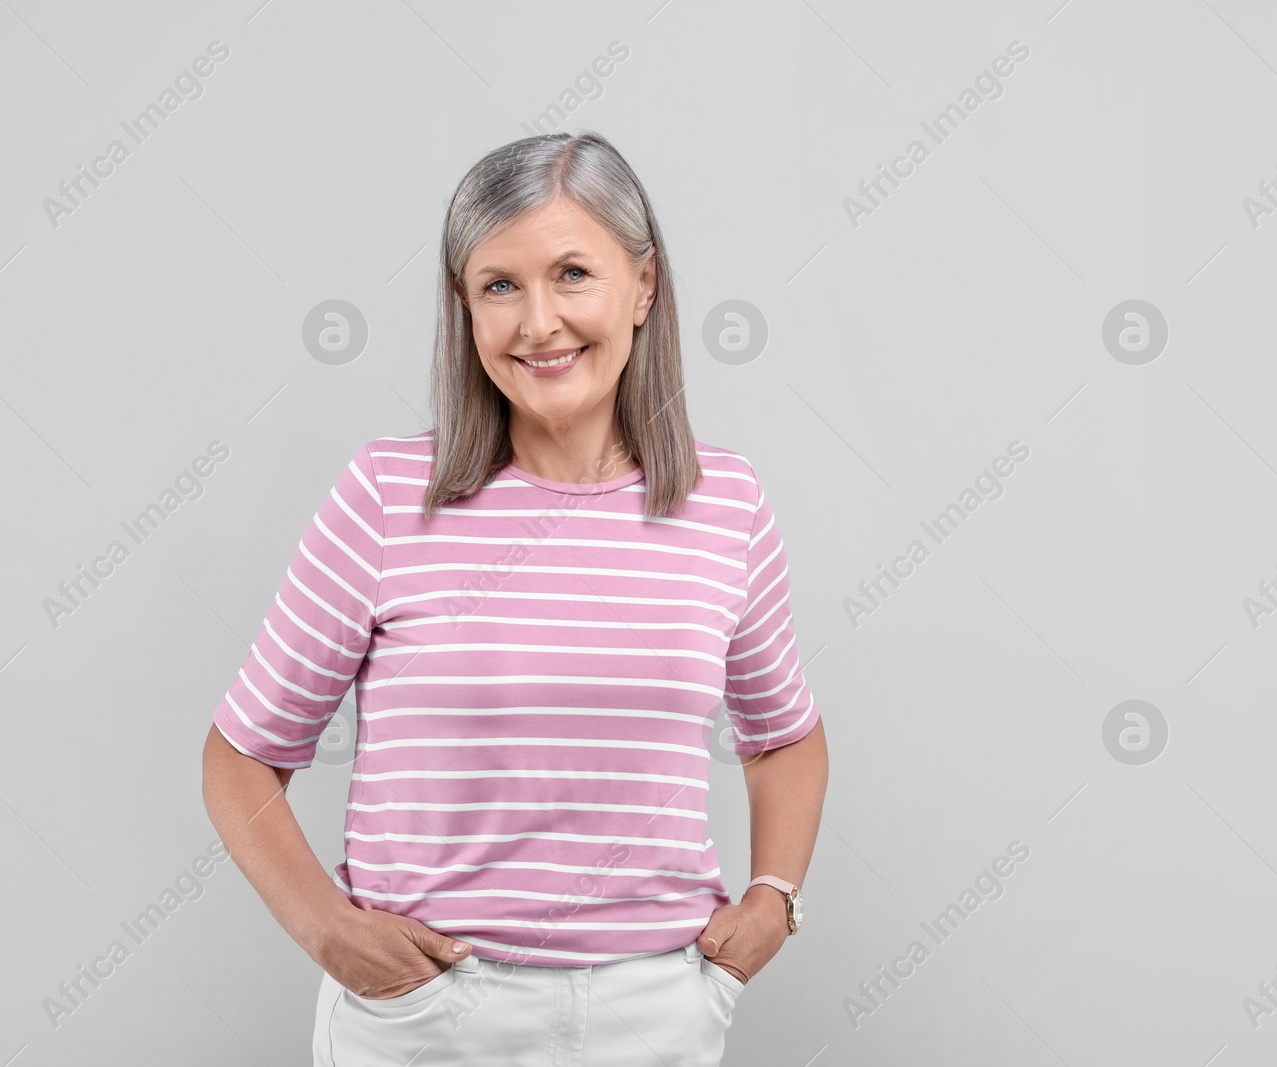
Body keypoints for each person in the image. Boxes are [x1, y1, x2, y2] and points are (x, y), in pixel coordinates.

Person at [200, 130, 829, 1066]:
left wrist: (774, 898)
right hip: (428, 1014)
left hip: (653, 1013)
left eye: (573, 272)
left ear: (643, 286)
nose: (538, 322)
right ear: (463, 306)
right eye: (499, 285)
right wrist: (327, 928)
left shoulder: (724, 505)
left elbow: (783, 735)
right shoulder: (385, 497)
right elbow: (240, 757)